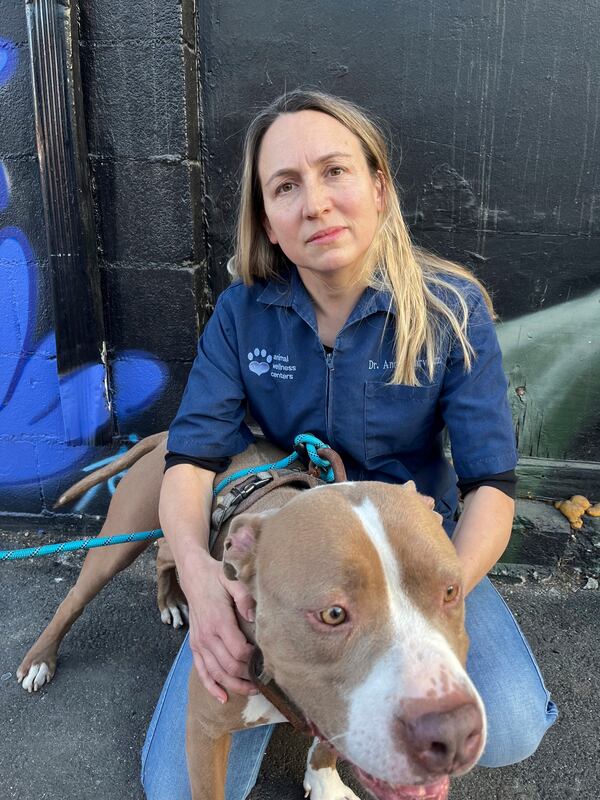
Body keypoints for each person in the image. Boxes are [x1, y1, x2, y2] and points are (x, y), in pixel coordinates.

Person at [141, 89, 557, 799]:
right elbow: (189, 462)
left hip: (415, 558)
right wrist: (199, 578)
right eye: (286, 186)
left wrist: (435, 597)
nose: (317, 203)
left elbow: (493, 484)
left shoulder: (451, 309)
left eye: (336, 171)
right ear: (267, 221)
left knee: (512, 725)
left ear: (379, 187)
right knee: (176, 790)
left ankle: (323, 690)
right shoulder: (243, 315)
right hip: (290, 559)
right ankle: (309, 678)